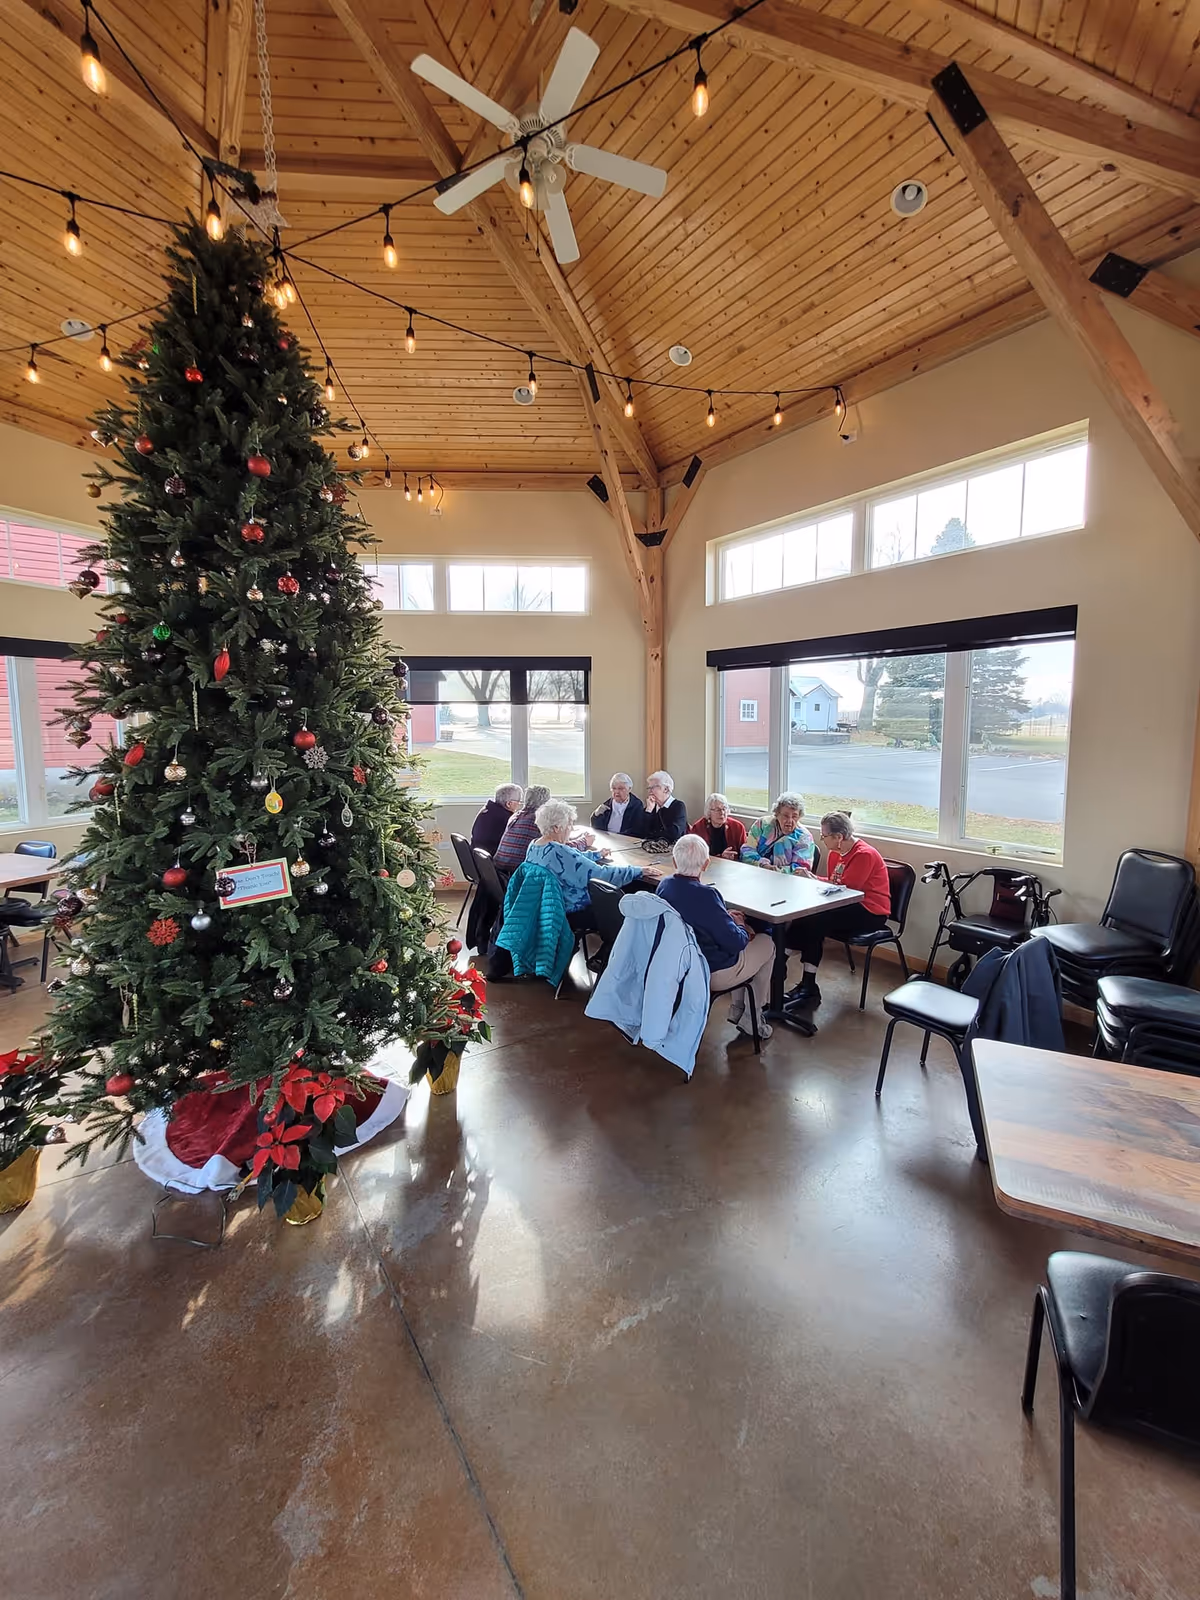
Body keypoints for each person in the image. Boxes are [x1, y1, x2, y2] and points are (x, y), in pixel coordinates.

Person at [658, 834, 776, 1041]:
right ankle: (752, 1018)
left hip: (678, 966)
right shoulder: (707, 895)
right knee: (767, 943)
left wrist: (725, 917)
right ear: (706, 864)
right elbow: (735, 943)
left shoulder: (665, 886)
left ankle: (738, 1009)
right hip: (710, 972)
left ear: (674, 861)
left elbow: (698, 917)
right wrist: (739, 924)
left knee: (747, 932)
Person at [785, 812, 891, 1009]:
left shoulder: (864, 855)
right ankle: (804, 980)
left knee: (815, 921)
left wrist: (814, 879)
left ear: (839, 837)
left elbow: (848, 890)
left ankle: (788, 961)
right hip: (846, 904)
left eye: (824, 835)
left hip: (870, 910)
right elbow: (834, 884)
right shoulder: (835, 853)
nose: (822, 839)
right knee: (807, 917)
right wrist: (812, 878)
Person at [526, 799, 659, 929]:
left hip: (546, 908)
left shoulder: (535, 845)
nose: (571, 828)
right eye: (569, 824)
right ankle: (618, 940)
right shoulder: (560, 852)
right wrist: (637, 871)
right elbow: (601, 874)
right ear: (556, 828)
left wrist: (596, 855)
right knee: (633, 890)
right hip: (572, 911)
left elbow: (573, 859)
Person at [740, 792, 815, 874]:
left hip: (786, 879)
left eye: (794, 816)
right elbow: (747, 851)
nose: (790, 821)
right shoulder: (762, 824)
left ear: (799, 816)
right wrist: (763, 865)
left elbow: (801, 869)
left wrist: (776, 871)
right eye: (786, 816)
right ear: (777, 814)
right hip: (756, 873)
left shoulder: (804, 837)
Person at [495, 785, 551, 872]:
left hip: (499, 869)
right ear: (545, 802)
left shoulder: (516, 815)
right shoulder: (538, 819)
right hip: (516, 872)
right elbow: (554, 842)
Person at [636, 770, 688, 845]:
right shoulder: (651, 807)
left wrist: (652, 835)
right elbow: (640, 832)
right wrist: (648, 810)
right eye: (649, 788)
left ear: (666, 789)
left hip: (673, 848)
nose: (650, 791)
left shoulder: (678, 806)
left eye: (653, 787)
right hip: (651, 848)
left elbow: (674, 833)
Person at [688, 793, 746, 859]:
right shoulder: (698, 828)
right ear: (709, 812)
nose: (722, 813)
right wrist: (721, 857)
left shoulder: (738, 827)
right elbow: (694, 856)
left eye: (724, 809)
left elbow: (745, 854)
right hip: (707, 864)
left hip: (733, 864)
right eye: (717, 810)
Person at [470, 783, 523, 855]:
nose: (519, 805)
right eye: (518, 802)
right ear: (509, 804)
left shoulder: (486, 810)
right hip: (493, 858)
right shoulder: (506, 819)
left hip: (477, 857)